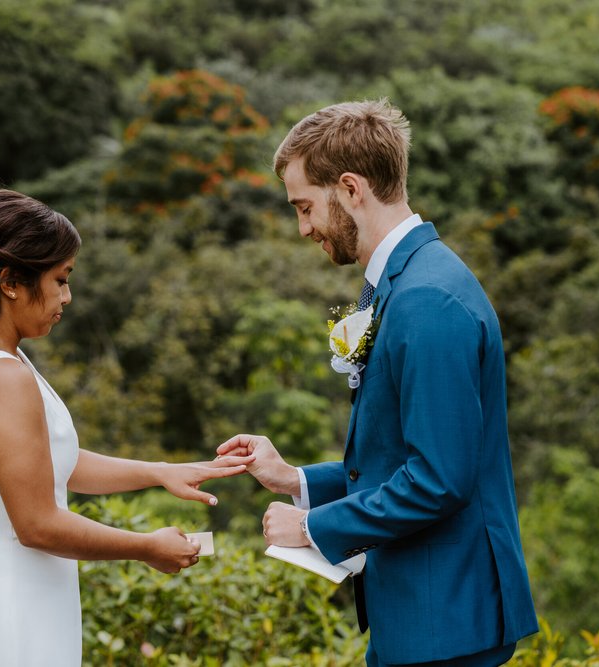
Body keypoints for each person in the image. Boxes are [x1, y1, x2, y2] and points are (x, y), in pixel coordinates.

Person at [217, 100, 538, 667]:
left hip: (446, 617)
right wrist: (294, 480)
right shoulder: (399, 285)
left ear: (349, 187)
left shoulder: (427, 299)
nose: (303, 228)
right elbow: (400, 457)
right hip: (424, 611)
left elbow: (438, 479)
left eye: (305, 207)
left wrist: (313, 527)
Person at [0, 189, 252, 667]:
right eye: (60, 280)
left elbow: (50, 464)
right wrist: (146, 547)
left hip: (17, 590)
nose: (67, 296)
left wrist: (161, 471)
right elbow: (37, 525)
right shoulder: (3, 375)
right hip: (12, 604)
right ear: (10, 282)